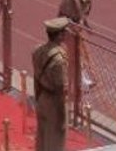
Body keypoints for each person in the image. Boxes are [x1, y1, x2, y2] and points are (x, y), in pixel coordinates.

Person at [32, 17, 71, 151]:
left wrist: (38, 98)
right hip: (54, 103)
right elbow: (61, 89)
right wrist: (62, 117)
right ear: (59, 35)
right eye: (64, 32)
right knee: (55, 143)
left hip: (42, 97)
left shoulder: (38, 50)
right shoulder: (59, 60)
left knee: (42, 139)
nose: (66, 35)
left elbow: (36, 78)